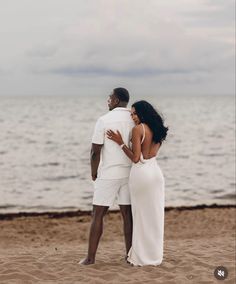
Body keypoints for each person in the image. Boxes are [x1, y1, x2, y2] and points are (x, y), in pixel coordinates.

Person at [106, 100, 168, 266]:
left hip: (141, 174)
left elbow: (135, 158)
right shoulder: (158, 130)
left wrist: (120, 142)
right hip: (155, 174)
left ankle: (141, 257)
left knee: (140, 216)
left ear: (142, 113)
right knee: (154, 216)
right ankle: (155, 257)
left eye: (134, 113)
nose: (132, 117)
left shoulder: (138, 129)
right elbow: (151, 154)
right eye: (131, 114)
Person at [80, 87, 134, 265]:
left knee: (98, 214)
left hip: (109, 173)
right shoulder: (134, 119)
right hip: (129, 173)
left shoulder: (104, 120)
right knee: (127, 214)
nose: (108, 100)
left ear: (117, 100)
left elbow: (95, 151)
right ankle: (129, 256)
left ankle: (90, 258)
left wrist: (93, 171)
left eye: (110, 97)